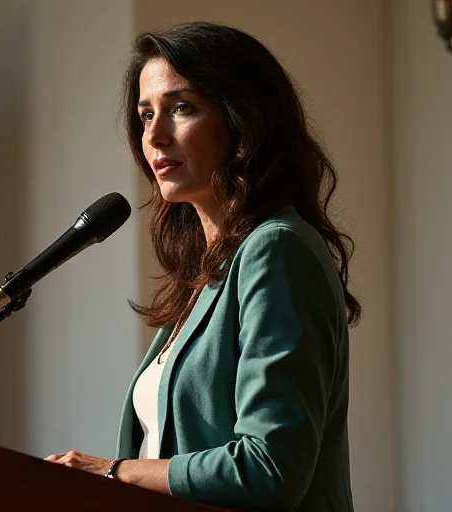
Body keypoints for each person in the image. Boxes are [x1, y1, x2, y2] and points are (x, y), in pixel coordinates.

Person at [44, 21, 359, 511]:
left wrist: (111, 471)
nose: (155, 135)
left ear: (244, 120)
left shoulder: (276, 249)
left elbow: (270, 468)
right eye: (146, 114)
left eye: (182, 108)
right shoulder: (207, 273)